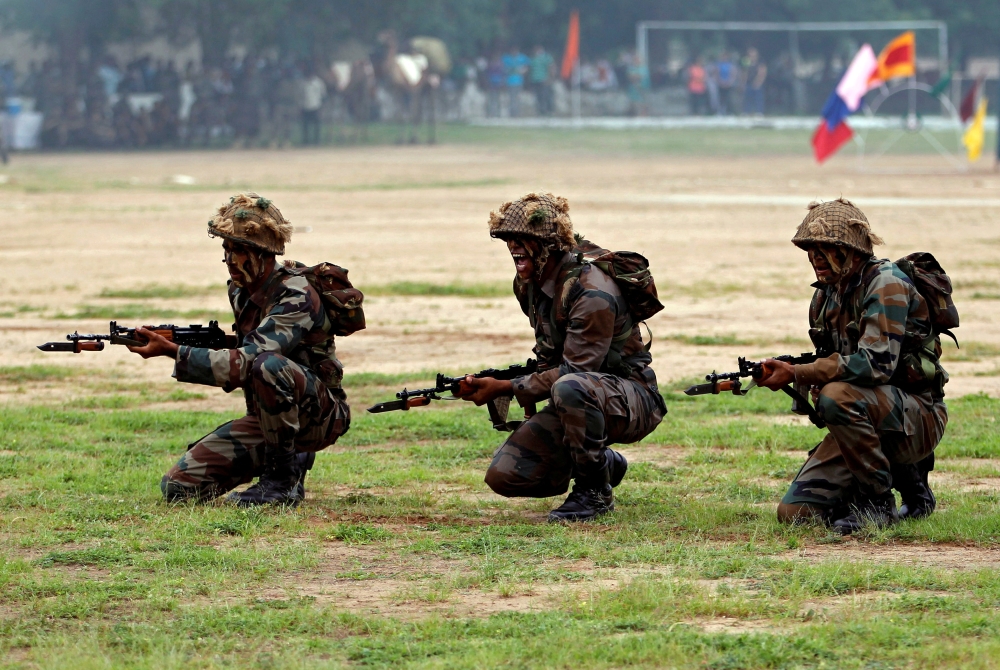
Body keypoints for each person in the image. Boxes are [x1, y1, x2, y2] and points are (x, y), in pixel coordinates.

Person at [127, 193, 353, 506]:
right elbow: (247, 345)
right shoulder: (240, 289)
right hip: (268, 420)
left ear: (264, 253)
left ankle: (282, 482)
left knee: (266, 365)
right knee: (179, 488)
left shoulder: (296, 294)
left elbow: (250, 361)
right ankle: (287, 461)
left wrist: (173, 351)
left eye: (240, 250)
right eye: (226, 249)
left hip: (320, 416)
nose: (231, 259)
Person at [456, 193, 667, 522]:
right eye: (509, 239)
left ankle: (593, 494)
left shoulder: (591, 290)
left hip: (633, 399)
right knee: (506, 476)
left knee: (571, 387)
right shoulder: (529, 284)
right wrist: (523, 392)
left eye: (524, 240)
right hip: (581, 392)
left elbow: (575, 371)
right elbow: (548, 359)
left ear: (550, 244)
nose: (513, 246)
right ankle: (604, 464)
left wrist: (506, 387)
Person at [757, 199, 946, 534]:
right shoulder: (825, 297)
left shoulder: (886, 284)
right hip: (869, 416)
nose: (816, 258)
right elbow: (833, 366)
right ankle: (901, 480)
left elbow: (874, 366)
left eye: (827, 249)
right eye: (812, 250)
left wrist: (800, 373)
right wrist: (797, 380)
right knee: (794, 513)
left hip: (918, 416)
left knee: (837, 396)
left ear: (853, 251)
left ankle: (878, 501)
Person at [300, 66, 326, 145]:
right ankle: (306, 141)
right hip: (305, 106)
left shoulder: (318, 82)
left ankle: (316, 141)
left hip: (316, 106)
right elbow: (300, 95)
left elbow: (323, 94)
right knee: (305, 125)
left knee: (316, 126)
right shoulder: (303, 82)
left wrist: (322, 106)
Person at [502, 46, 530, 117]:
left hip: (519, 81)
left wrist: (523, 71)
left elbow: (528, 66)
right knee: (511, 98)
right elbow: (503, 68)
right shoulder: (506, 58)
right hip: (509, 81)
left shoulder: (522, 57)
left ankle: (517, 113)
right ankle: (512, 113)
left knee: (518, 98)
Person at [529, 45, 555, 116]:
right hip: (535, 80)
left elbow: (551, 67)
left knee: (545, 96)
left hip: (544, 80)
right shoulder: (533, 58)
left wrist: (550, 78)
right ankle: (541, 112)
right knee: (538, 97)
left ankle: (548, 111)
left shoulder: (546, 57)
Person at [742, 48, 766, 116]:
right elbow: (745, 73)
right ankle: (746, 112)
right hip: (748, 83)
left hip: (757, 83)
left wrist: (758, 82)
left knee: (758, 98)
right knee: (747, 98)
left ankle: (759, 112)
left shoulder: (760, 63)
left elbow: (762, 73)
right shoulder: (746, 63)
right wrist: (743, 83)